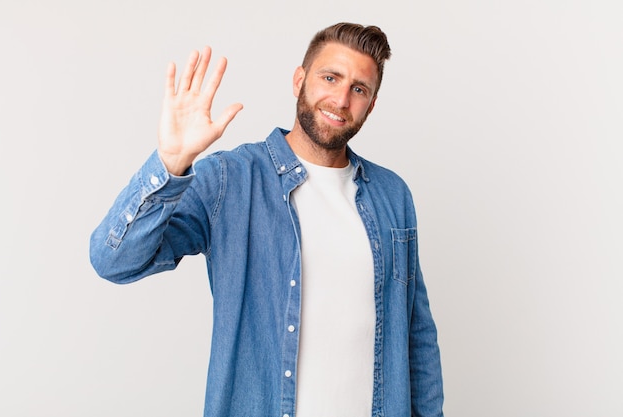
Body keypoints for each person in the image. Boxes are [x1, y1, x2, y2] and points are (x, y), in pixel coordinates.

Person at [90, 22, 444, 417]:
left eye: (359, 89)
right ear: (299, 80)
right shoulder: (231, 180)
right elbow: (114, 261)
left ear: (371, 104)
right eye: (330, 77)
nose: (341, 99)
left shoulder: (392, 194)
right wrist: (170, 166)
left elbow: (417, 334)